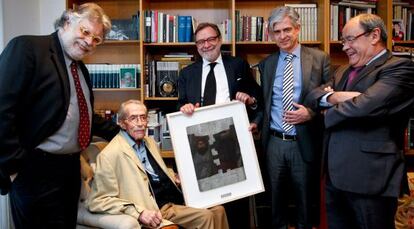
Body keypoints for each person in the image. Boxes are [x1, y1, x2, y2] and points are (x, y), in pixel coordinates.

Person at [0, 3, 120, 228]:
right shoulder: (28, 48)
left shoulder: (79, 68)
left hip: (69, 170)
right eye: (85, 32)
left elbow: (83, 116)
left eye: (96, 40)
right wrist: (14, 168)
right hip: (34, 170)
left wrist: (123, 131)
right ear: (67, 22)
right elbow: (2, 109)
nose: (89, 42)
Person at [304, 13, 414, 229]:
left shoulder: (400, 67)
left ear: (374, 35)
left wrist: (330, 110)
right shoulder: (343, 70)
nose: (344, 47)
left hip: (371, 178)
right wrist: (335, 97)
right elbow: (312, 95)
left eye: (350, 39)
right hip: (335, 176)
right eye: (343, 41)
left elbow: (366, 106)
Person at [86, 100, 229, 229]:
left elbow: (156, 170)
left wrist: (174, 176)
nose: (140, 123)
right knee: (206, 216)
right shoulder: (110, 155)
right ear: (122, 123)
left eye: (143, 117)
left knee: (219, 210)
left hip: (176, 198)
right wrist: (139, 212)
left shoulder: (149, 142)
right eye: (133, 118)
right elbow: (98, 201)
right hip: (157, 208)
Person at [177, 22, 262, 228]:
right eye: (200, 42)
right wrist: (185, 107)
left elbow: (258, 98)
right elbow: (180, 104)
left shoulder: (238, 65)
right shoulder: (187, 73)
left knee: (237, 201)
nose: (206, 45)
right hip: (201, 145)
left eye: (210, 39)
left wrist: (250, 101)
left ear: (219, 40)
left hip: (232, 144)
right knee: (209, 202)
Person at [257, 6, 331, 229]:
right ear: (271, 34)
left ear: (298, 29)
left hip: (304, 141)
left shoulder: (319, 59)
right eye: (276, 31)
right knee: (275, 201)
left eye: (287, 30)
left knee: (305, 201)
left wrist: (310, 112)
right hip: (274, 143)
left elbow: (330, 94)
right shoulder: (267, 64)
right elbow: (265, 103)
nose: (282, 36)